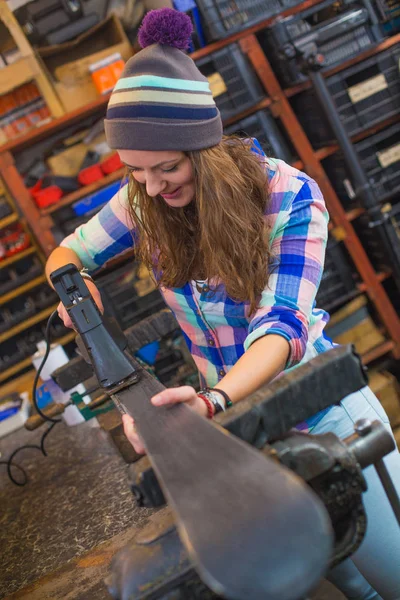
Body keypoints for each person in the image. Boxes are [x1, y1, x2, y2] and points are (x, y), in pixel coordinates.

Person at [45, 8, 400, 599]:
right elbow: (68, 251)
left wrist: (212, 400)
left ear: (204, 150)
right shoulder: (146, 197)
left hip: (325, 416)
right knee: (342, 584)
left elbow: (281, 327)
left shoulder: (288, 197)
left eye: (168, 167)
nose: (153, 188)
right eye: (136, 172)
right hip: (243, 437)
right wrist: (75, 288)